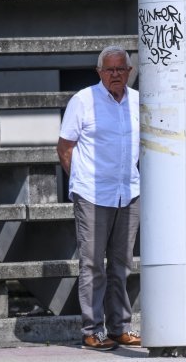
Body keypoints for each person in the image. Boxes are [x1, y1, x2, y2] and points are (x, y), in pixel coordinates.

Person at [56, 46, 142, 350]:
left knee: (122, 264)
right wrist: (80, 180)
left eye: (121, 69)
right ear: (99, 72)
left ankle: (120, 327)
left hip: (128, 192)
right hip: (92, 194)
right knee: (93, 264)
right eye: (110, 69)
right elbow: (65, 145)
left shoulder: (138, 102)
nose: (116, 74)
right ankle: (92, 330)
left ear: (130, 73)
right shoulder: (83, 100)